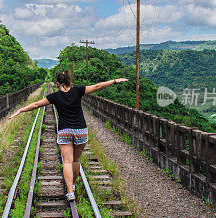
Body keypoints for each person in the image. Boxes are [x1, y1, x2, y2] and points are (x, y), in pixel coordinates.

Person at [10, 70, 128, 201]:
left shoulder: (54, 96)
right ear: (69, 81)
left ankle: (70, 192)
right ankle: (73, 185)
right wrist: (115, 81)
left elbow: (36, 104)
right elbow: (97, 86)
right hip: (80, 130)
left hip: (65, 130)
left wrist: (20, 110)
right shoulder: (78, 91)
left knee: (67, 161)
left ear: (57, 83)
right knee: (76, 160)